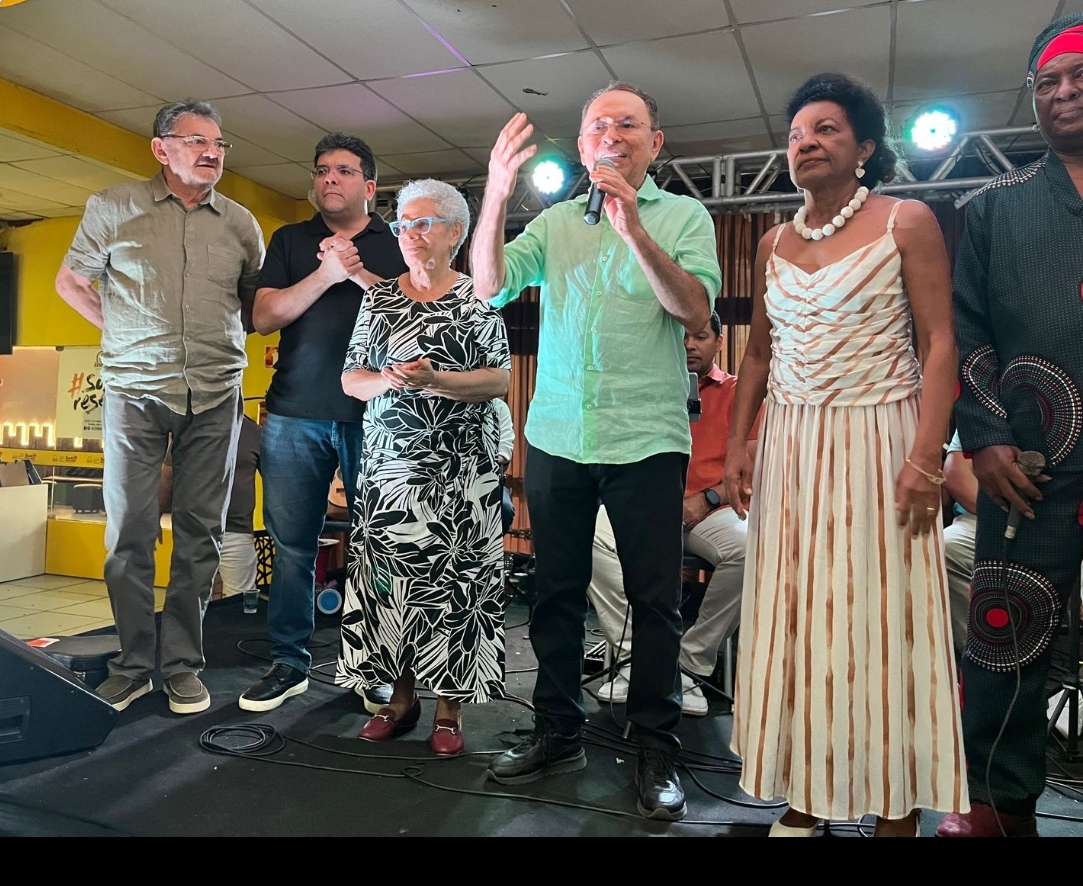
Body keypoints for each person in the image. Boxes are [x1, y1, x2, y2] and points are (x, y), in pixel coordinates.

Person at [723, 72, 967, 837]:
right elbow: (757, 354)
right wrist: (738, 444)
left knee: (883, 620)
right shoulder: (770, 241)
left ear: (863, 147)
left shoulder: (907, 221)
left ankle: (894, 801)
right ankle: (807, 789)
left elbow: (938, 346)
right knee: (797, 618)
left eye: (826, 129)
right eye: (797, 132)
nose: (806, 142)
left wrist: (926, 459)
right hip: (793, 446)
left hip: (879, 440)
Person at [473, 81, 722, 822]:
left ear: (654, 143)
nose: (609, 135)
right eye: (594, 127)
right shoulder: (554, 222)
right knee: (553, 592)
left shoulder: (684, 215)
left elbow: (693, 309)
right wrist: (494, 190)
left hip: (645, 438)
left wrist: (632, 223)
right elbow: (488, 288)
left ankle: (654, 745)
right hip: (556, 434)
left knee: (653, 601)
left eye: (627, 124)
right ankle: (557, 729)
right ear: (581, 147)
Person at [55, 99, 264, 714]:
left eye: (220, 143)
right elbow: (71, 281)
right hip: (133, 394)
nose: (212, 151)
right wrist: (116, 331)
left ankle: (181, 666)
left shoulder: (241, 223)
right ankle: (132, 663)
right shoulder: (112, 207)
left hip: (217, 393)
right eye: (197, 140)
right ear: (161, 148)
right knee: (129, 536)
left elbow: (256, 305)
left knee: (201, 533)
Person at [937, 14, 1083, 838]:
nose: (1061, 95)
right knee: (1005, 630)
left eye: (1078, 80)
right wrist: (984, 438)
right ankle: (996, 800)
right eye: (1047, 84)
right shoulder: (992, 208)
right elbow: (965, 331)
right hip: (1026, 461)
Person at [335, 179, 511, 757]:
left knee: (456, 589)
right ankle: (399, 698)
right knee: (394, 587)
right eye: (404, 223)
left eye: (424, 223)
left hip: (463, 474)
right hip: (391, 472)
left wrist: (437, 380)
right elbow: (350, 379)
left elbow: (499, 380)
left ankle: (450, 710)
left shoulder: (479, 301)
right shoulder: (378, 300)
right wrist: (389, 378)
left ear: (456, 233)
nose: (411, 234)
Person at [238, 133, 407, 713]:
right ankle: (289, 663)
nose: (329, 179)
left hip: (379, 417)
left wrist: (357, 274)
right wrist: (325, 274)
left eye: (343, 170)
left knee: (380, 546)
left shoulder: (398, 243)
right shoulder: (290, 240)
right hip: (292, 415)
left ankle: (374, 667)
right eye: (321, 171)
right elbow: (263, 318)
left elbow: (420, 321)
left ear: (370, 185)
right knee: (292, 547)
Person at [589, 312, 757, 716]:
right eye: (680, 337)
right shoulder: (646, 391)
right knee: (588, 534)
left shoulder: (737, 392)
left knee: (751, 546)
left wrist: (709, 500)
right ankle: (639, 661)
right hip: (649, 504)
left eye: (700, 336)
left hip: (712, 508)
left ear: (719, 342)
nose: (688, 345)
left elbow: (754, 462)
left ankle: (689, 665)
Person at [942, 431, 978, 654]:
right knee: (947, 547)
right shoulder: (989, 399)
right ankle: (979, 660)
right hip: (984, 518)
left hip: (1065, 521)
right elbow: (956, 473)